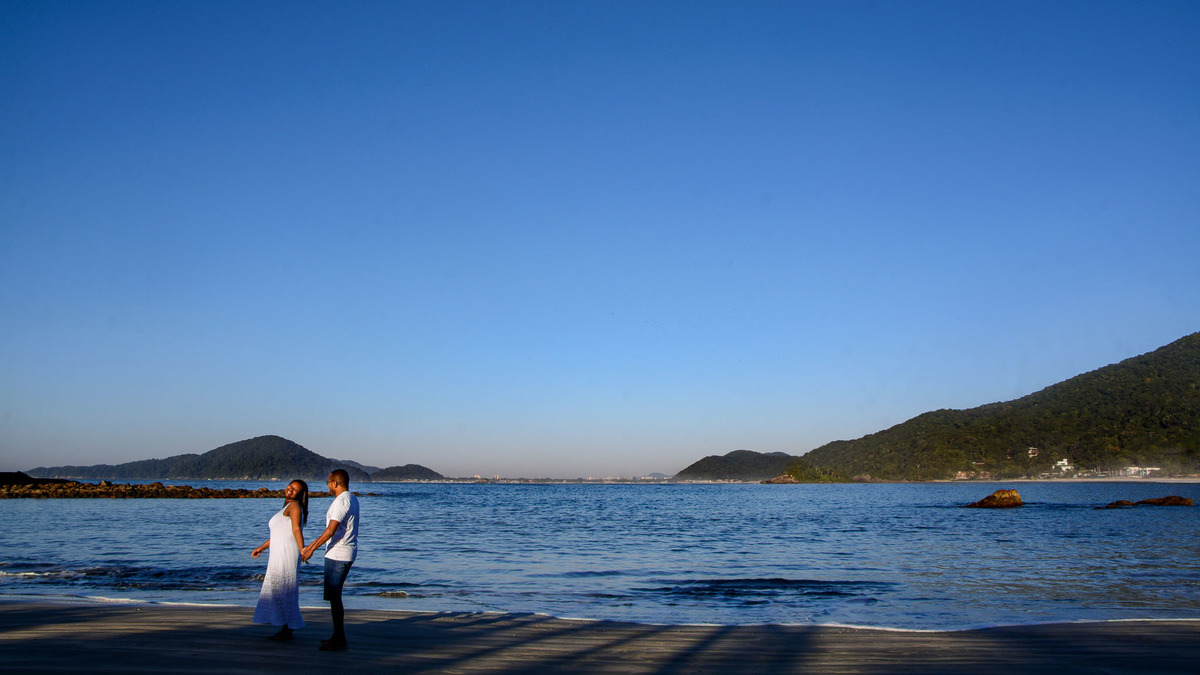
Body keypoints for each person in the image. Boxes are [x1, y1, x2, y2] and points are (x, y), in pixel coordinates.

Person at [301, 469, 359, 651]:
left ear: (335, 483)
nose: (327, 486)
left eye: (328, 482)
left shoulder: (342, 501)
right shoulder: (352, 498)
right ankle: (337, 636)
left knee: (334, 597)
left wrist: (310, 549)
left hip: (338, 553)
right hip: (343, 552)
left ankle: (339, 639)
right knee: (334, 597)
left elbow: (330, 530)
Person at [251, 479, 309, 641]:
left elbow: (296, 529)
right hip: (278, 550)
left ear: (299, 495)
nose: (291, 489)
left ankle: (288, 628)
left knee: (285, 589)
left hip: (286, 552)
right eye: (290, 486)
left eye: (295, 489)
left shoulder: (294, 506)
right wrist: (262, 547)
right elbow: (278, 534)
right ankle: (285, 626)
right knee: (279, 589)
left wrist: (303, 549)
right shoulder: (287, 506)